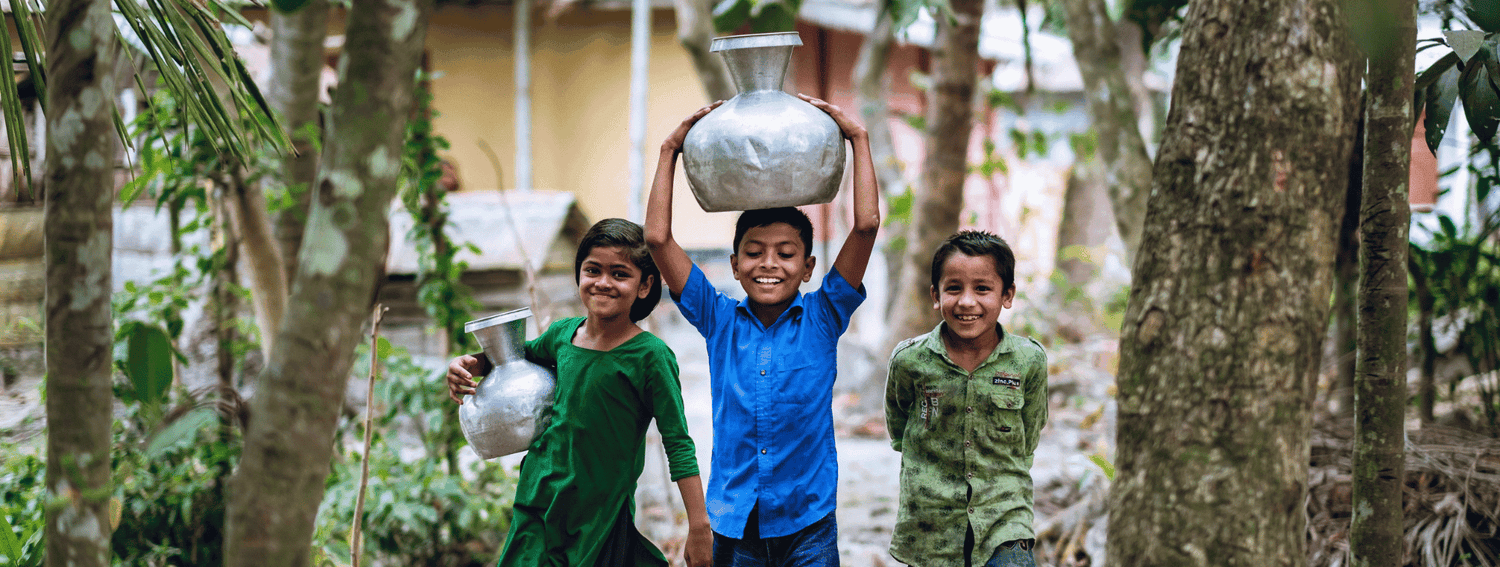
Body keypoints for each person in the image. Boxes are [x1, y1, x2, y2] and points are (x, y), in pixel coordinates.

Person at [644, 95, 881, 567]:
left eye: (786, 253)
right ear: (733, 264)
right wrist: (670, 150)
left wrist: (858, 139)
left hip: (807, 525)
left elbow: (867, 225)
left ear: (809, 266)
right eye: (754, 252)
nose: (769, 263)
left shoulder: (824, 316)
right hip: (735, 525)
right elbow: (656, 239)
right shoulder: (718, 319)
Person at [445, 218, 712, 567]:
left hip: (600, 514)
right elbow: (514, 358)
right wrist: (471, 364)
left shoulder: (651, 357)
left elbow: (678, 443)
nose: (603, 283)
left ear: (645, 285)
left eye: (620, 274)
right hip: (540, 501)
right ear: (579, 274)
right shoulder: (561, 336)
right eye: (593, 270)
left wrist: (699, 526)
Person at [884, 230, 1049, 567]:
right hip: (930, 529)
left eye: (983, 288)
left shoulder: (1028, 360)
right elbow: (899, 427)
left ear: (1007, 295)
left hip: (1005, 521)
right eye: (954, 288)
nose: (967, 301)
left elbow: (1028, 434)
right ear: (936, 294)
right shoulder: (910, 360)